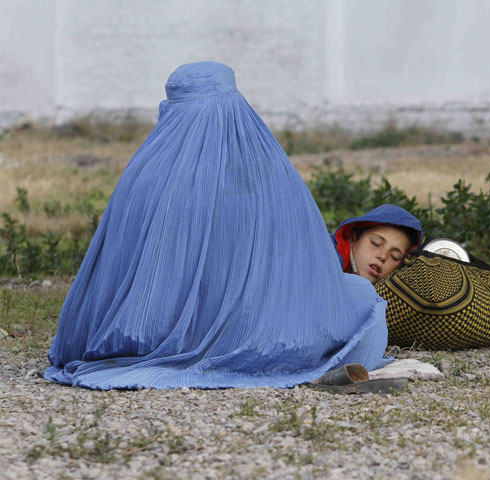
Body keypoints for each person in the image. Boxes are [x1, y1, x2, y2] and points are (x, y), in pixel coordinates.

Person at [44, 62, 395, 390]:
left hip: (134, 335)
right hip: (265, 335)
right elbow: (307, 279)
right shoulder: (273, 171)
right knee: (362, 297)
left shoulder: (142, 174)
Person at [331, 205, 422, 284]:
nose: (383, 256)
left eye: (395, 256)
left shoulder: (387, 293)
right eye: (375, 243)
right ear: (352, 238)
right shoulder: (324, 257)